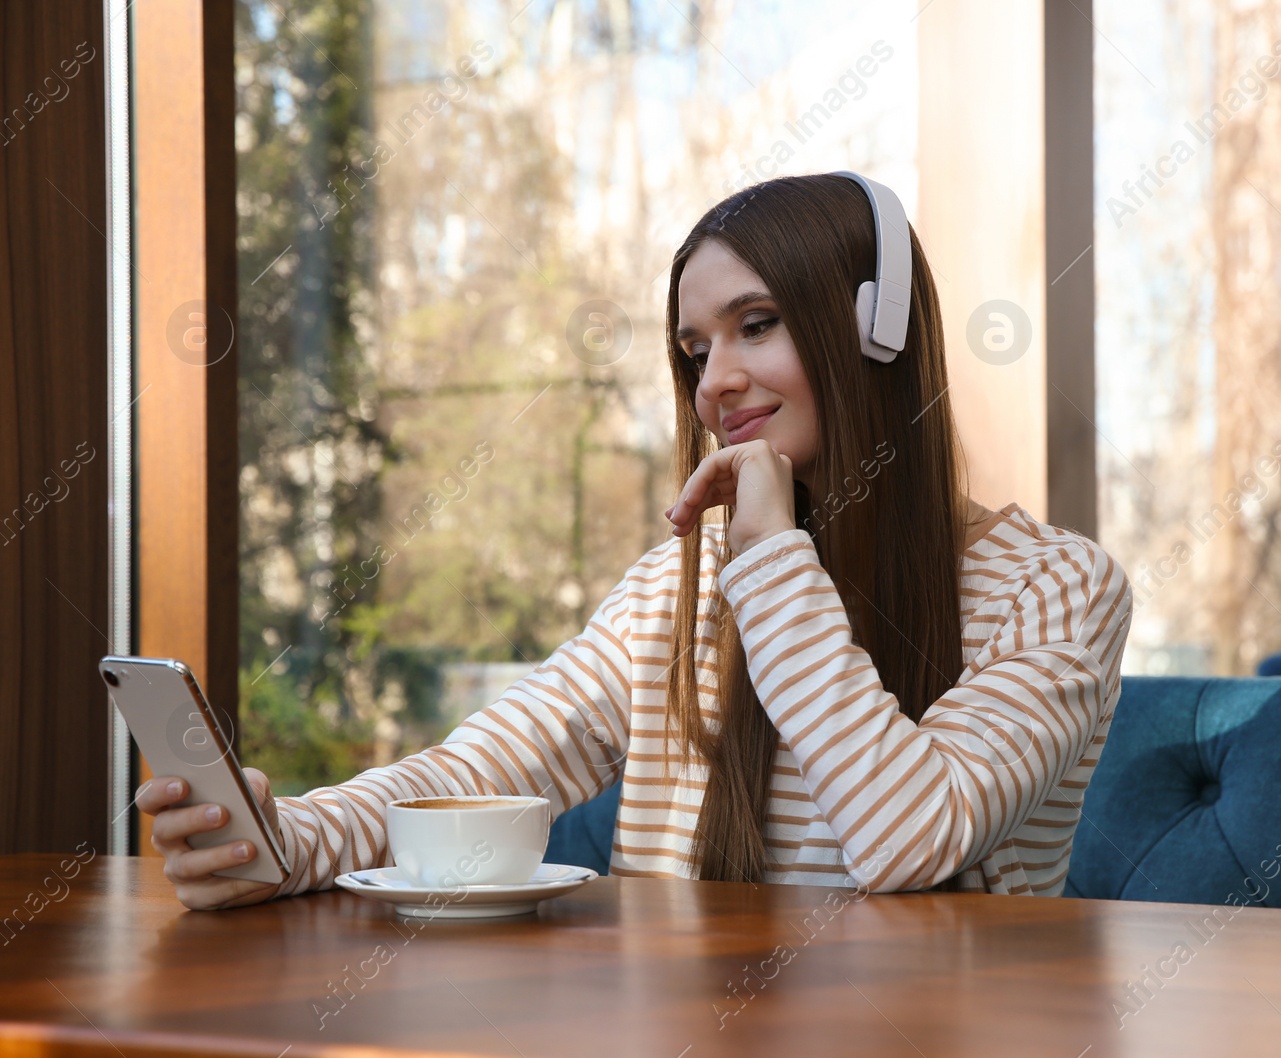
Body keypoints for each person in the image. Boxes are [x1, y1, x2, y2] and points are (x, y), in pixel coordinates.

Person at [136, 172, 1131, 910]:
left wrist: (770, 553)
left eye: (758, 323)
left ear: (878, 330)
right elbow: (480, 768)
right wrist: (283, 836)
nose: (715, 383)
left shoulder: (1058, 587)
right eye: (696, 352)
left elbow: (910, 835)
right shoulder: (676, 591)